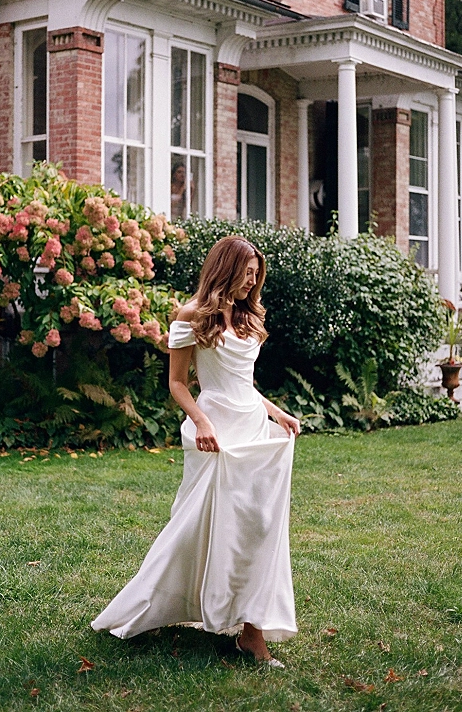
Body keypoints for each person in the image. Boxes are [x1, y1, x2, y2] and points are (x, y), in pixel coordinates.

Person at [91, 235, 300, 667]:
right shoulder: (191, 316)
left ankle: (250, 630)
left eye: (256, 275)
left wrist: (277, 413)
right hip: (216, 433)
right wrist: (202, 422)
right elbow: (178, 383)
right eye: (246, 274)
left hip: (254, 430)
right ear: (225, 270)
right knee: (201, 523)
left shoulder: (247, 317)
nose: (252, 282)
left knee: (259, 527)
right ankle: (177, 603)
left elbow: (244, 384)